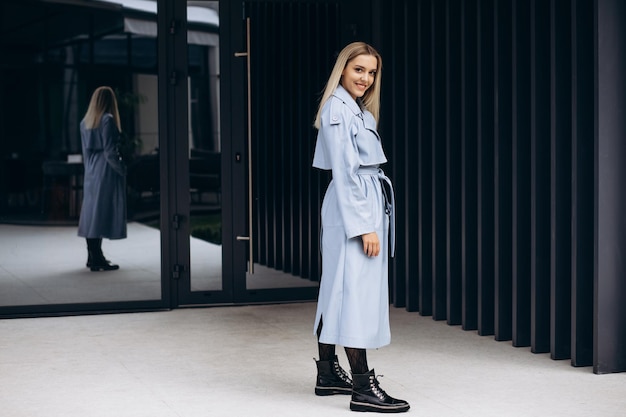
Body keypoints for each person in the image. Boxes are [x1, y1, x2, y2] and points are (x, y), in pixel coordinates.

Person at [311, 42, 409, 413]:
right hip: (354, 205)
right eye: (359, 70)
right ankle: (363, 387)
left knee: (338, 289)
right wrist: (365, 227)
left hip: (359, 200)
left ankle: (327, 373)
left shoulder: (354, 108)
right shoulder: (339, 109)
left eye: (371, 72)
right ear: (343, 69)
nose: (366, 79)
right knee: (353, 294)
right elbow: (346, 172)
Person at [77, 86, 127, 271]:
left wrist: (89, 171)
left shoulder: (86, 122)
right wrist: (121, 169)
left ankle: (93, 256)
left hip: (91, 169)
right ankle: (97, 257)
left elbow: (85, 151)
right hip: (105, 169)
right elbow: (110, 151)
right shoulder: (107, 119)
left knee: (92, 212)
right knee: (100, 212)